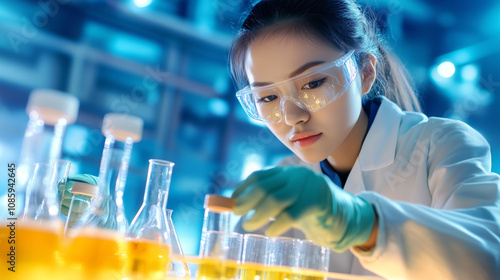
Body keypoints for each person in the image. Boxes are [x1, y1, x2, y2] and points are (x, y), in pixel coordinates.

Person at [229, 0, 500, 279]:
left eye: (312, 83)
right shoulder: (281, 189)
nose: (292, 116)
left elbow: (490, 261)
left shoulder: (440, 146)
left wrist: (359, 222)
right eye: (268, 98)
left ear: (366, 72)